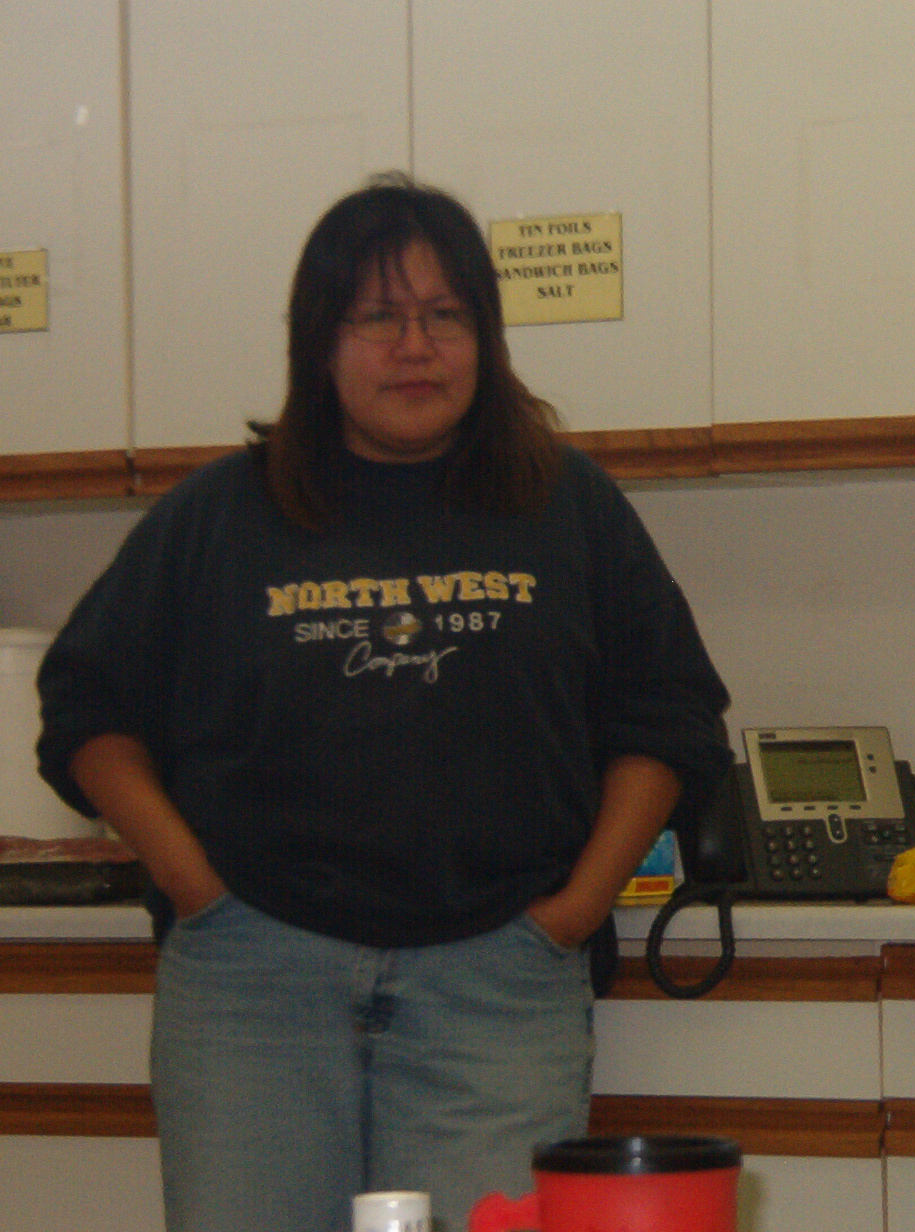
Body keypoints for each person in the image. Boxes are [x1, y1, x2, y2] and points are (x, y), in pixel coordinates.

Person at [36, 173, 731, 1232]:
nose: (417, 345)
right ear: (320, 343)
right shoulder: (222, 513)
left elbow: (668, 714)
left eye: (446, 314)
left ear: (486, 339)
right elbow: (87, 706)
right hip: (251, 982)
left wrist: (575, 911)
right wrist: (191, 882)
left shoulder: (566, 503)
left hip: (498, 983)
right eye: (379, 317)